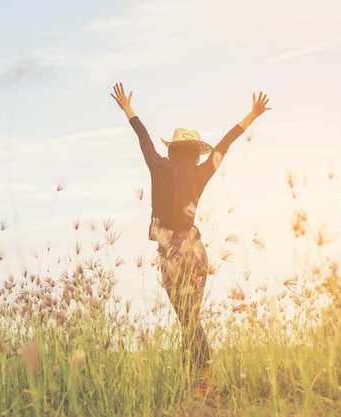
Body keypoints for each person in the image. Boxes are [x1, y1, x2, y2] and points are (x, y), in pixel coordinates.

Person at [110, 83, 271, 389]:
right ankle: (196, 379)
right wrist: (252, 115)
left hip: (171, 255)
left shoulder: (159, 167)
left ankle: (204, 378)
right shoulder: (200, 173)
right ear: (194, 153)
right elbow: (224, 144)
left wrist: (128, 109)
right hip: (196, 252)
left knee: (189, 322)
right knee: (191, 321)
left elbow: (143, 140)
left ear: (172, 149)